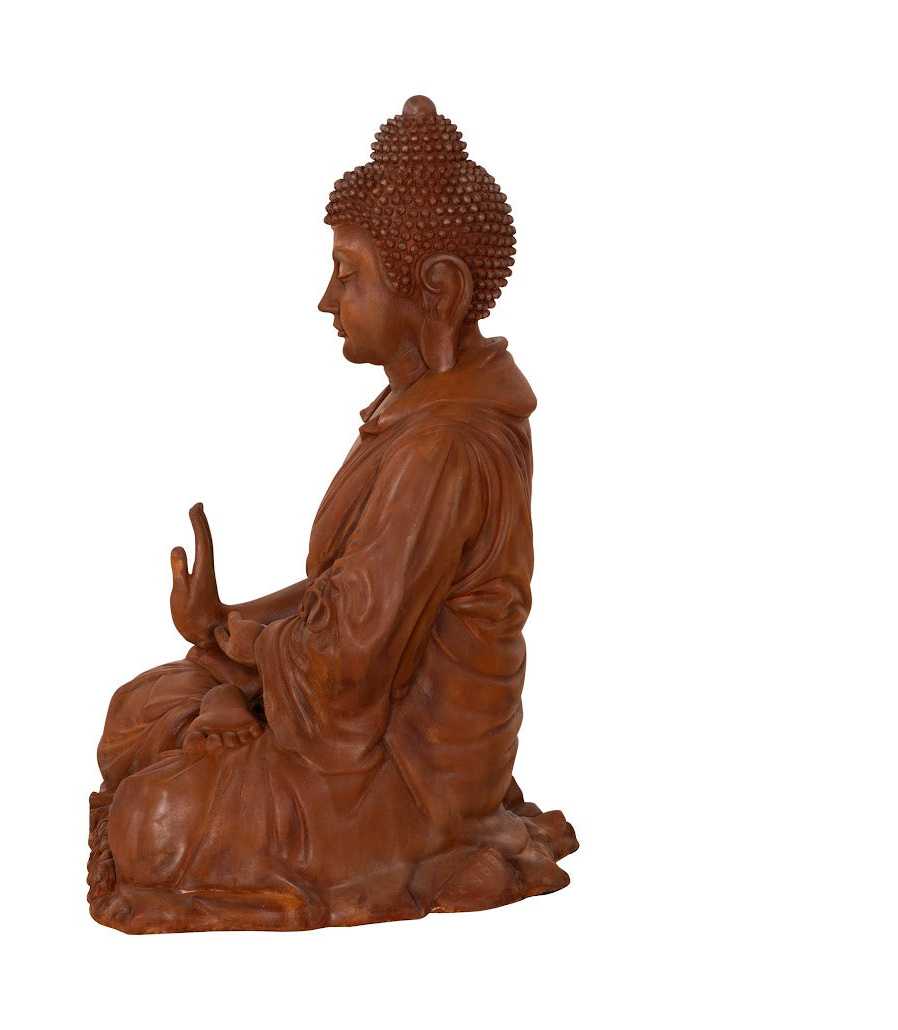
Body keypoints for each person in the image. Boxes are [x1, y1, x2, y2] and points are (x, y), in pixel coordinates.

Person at [88, 96, 577, 933]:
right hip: (351, 715)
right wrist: (223, 627)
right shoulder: (415, 410)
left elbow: (348, 665)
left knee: (148, 822)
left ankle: (421, 848)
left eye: (348, 275)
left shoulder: (446, 445)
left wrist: (240, 673)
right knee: (136, 709)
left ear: (437, 291)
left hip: (410, 777)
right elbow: (345, 599)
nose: (326, 298)